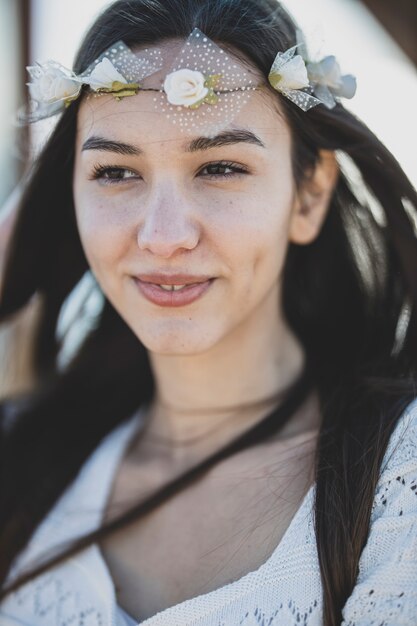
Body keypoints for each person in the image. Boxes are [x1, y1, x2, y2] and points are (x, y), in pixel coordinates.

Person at [0, 0, 416, 624]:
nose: (164, 237)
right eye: (114, 171)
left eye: (221, 167)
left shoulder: (397, 473)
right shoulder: (22, 451)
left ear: (309, 194)